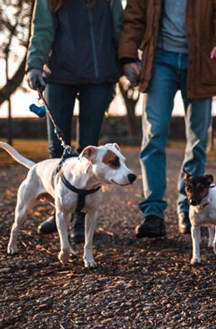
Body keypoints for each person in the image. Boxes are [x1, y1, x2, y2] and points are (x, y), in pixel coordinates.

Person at [118, 0, 216, 238]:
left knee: (197, 139)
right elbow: (134, 16)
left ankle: (189, 209)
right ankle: (153, 213)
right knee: (154, 135)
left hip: (202, 60)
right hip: (159, 59)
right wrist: (127, 56)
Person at [25, 0, 123, 243]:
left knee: (89, 146)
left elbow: (120, 30)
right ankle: (62, 207)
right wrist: (35, 64)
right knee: (57, 149)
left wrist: (127, 61)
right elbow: (42, 29)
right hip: (58, 76)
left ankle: (82, 216)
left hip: (99, 77)